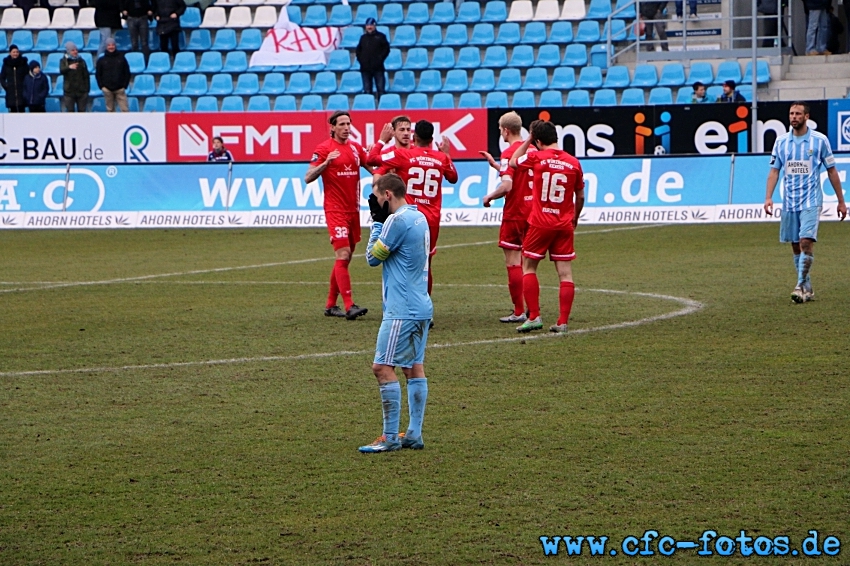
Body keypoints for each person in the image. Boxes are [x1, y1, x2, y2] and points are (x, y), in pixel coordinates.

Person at [358, 173, 433, 453]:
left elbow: (371, 258)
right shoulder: (420, 216)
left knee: (381, 367)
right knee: (413, 367)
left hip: (401, 309)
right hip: (421, 305)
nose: (375, 203)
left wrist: (377, 222)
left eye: (377, 197)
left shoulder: (395, 220)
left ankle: (390, 438)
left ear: (387, 195)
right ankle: (413, 433)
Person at [764, 102, 847, 303]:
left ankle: (800, 284)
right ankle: (807, 286)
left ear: (806, 117)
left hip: (811, 200)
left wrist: (841, 201)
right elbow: (774, 171)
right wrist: (768, 197)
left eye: (798, 113)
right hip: (789, 202)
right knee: (795, 246)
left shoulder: (820, 141)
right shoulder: (781, 142)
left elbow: (832, 171)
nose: (794, 117)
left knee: (805, 242)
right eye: (791, 113)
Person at [508, 120, 585, 334]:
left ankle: (534, 316)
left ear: (538, 141)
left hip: (540, 223)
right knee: (565, 274)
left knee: (528, 267)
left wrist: (528, 141)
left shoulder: (535, 156)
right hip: (564, 224)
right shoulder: (573, 163)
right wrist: (575, 218)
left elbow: (513, 162)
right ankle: (562, 322)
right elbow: (580, 196)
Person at [366, 120, 458, 297]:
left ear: (414, 137)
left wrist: (381, 141)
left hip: (408, 216)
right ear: (432, 139)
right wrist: (446, 154)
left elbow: (371, 159)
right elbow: (453, 177)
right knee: (425, 264)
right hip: (431, 220)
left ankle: (400, 303)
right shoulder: (441, 158)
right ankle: (425, 307)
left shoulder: (404, 155)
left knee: (397, 260)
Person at [305, 111, 372, 320]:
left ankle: (330, 305)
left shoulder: (355, 148)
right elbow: (308, 177)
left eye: (348, 124)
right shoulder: (324, 149)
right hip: (335, 210)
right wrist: (325, 164)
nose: (346, 127)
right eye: (342, 124)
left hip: (354, 210)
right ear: (332, 127)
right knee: (342, 255)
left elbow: (373, 167)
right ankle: (349, 305)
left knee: (346, 257)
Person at [480, 111, 535, 324]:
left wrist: (489, 196)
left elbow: (507, 185)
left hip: (515, 213)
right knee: (530, 263)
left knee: (513, 262)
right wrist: (496, 166)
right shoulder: (533, 150)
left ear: (505, 130)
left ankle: (519, 310)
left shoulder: (509, 152)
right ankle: (533, 309)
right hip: (534, 213)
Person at [354, 17, 390, 99]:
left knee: (381, 90)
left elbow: (386, 49)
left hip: (378, 68)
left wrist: (380, 59)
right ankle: (368, 110)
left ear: (374, 26)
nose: (369, 27)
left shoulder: (381, 37)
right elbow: (358, 51)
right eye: (367, 25)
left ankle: (381, 109)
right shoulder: (363, 38)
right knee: (367, 91)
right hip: (365, 69)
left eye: (371, 25)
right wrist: (362, 61)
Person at [371, 115, 412, 184]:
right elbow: (376, 181)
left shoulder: (417, 151)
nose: (406, 133)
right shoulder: (386, 154)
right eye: (402, 130)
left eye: (408, 129)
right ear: (393, 132)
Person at [96, 38, 131, 112]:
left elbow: (127, 72)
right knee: (110, 110)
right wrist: (102, 86)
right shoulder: (101, 60)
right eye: (109, 45)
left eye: (112, 45)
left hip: (120, 89)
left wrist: (124, 85)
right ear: (106, 46)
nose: (111, 47)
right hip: (107, 90)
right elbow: (98, 74)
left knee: (125, 110)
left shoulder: (122, 58)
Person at [60, 41, 90, 112]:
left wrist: (86, 89)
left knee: (82, 112)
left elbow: (86, 75)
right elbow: (62, 70)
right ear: (68, 51)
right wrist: (69, 67)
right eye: (73, 50)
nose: (75, 52)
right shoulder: (63, 61)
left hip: (81, 91)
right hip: (69, 92)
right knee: (70, 112)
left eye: (76, 50)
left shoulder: (82, 61)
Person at [1, 45, 28, 113]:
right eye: (13, 52)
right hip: (11, 93)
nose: (15, 53)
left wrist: (25, 86)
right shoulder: (6, 64)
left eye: (17, 52)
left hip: (21, 92)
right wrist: (6, 86)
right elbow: (2, 77)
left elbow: (28, 76)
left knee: (22, 112)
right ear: (10, 53)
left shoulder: (23, 63)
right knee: (12, 114)